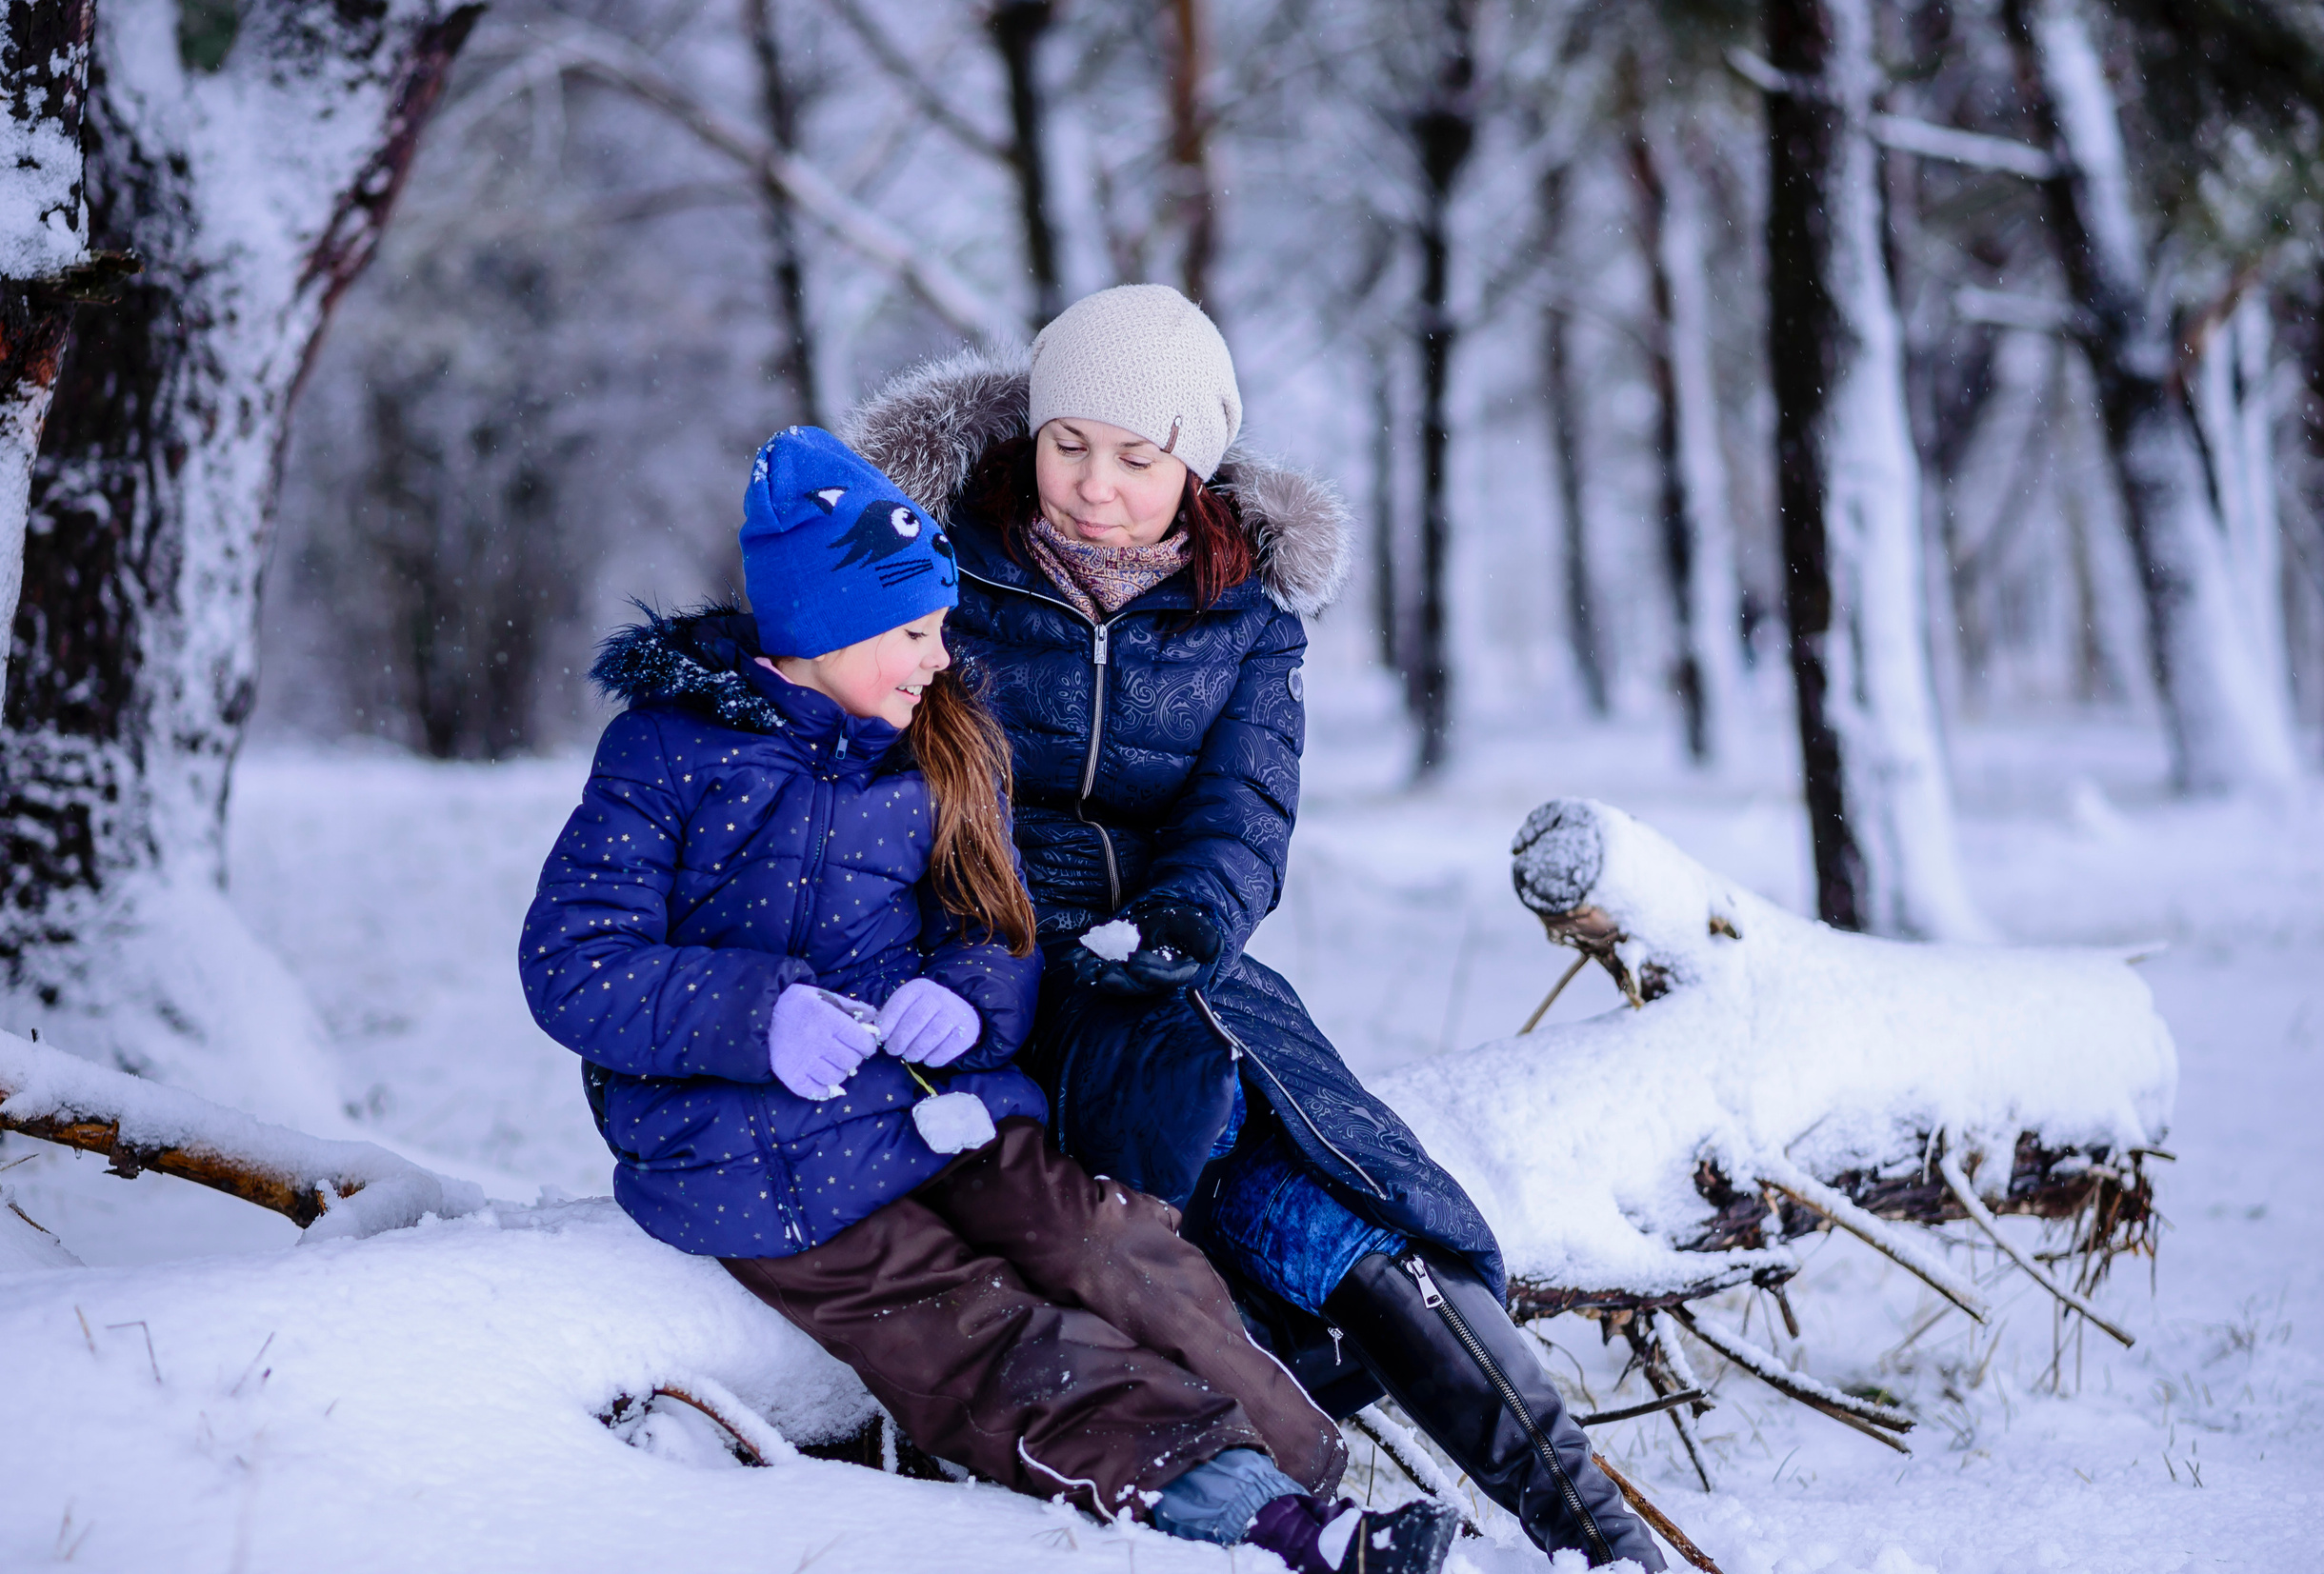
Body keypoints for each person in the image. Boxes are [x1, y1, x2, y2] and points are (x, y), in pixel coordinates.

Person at [517, 426, 1461, 1574]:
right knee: (987, 1335)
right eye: (911, 631)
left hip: (930, 1100)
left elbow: (993, 923)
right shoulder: (666, 755)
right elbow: (574, 960)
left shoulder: (940, 742)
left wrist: (963, 1004)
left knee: (1106, 1241)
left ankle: (1308, 1467)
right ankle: (1277, 1525)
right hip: (747, 1148)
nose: (938, 653)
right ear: (820, 628)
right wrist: (754, 1013)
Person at [842, 287, 1669, 1570]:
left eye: (1138, 457)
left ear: (1198, 466)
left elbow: (1243, 812)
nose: (1095, 486)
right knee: (1203, 1121)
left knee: (1330, 1171)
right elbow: (902, 773)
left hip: (1180, 964)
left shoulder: (1246, 622)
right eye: (1069, 444)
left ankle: (1592, 1530)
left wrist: (1190, 911)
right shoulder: (944, 575)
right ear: (1030, 434)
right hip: (987, 959)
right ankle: (1291, 1448)